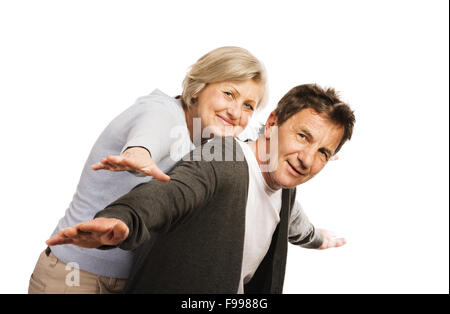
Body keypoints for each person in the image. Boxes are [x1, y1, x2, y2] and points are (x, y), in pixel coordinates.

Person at [47, 84, 356, 293]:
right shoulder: (221, 159)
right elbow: (169, 195)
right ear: (273, 122)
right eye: (303, 136)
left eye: (323, 153)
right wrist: (124, 219)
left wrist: (319, 239)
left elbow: (295, 224)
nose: (306, 159)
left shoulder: (285, 186)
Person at [28, 46, 268, 294]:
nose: (236, 112)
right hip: (77, 277)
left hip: (133, 281)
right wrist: (138, 153)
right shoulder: (161, 113)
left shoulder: (207, 141)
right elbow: (150, 135)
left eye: (249, 105)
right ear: (199, 87)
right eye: (229, 94)